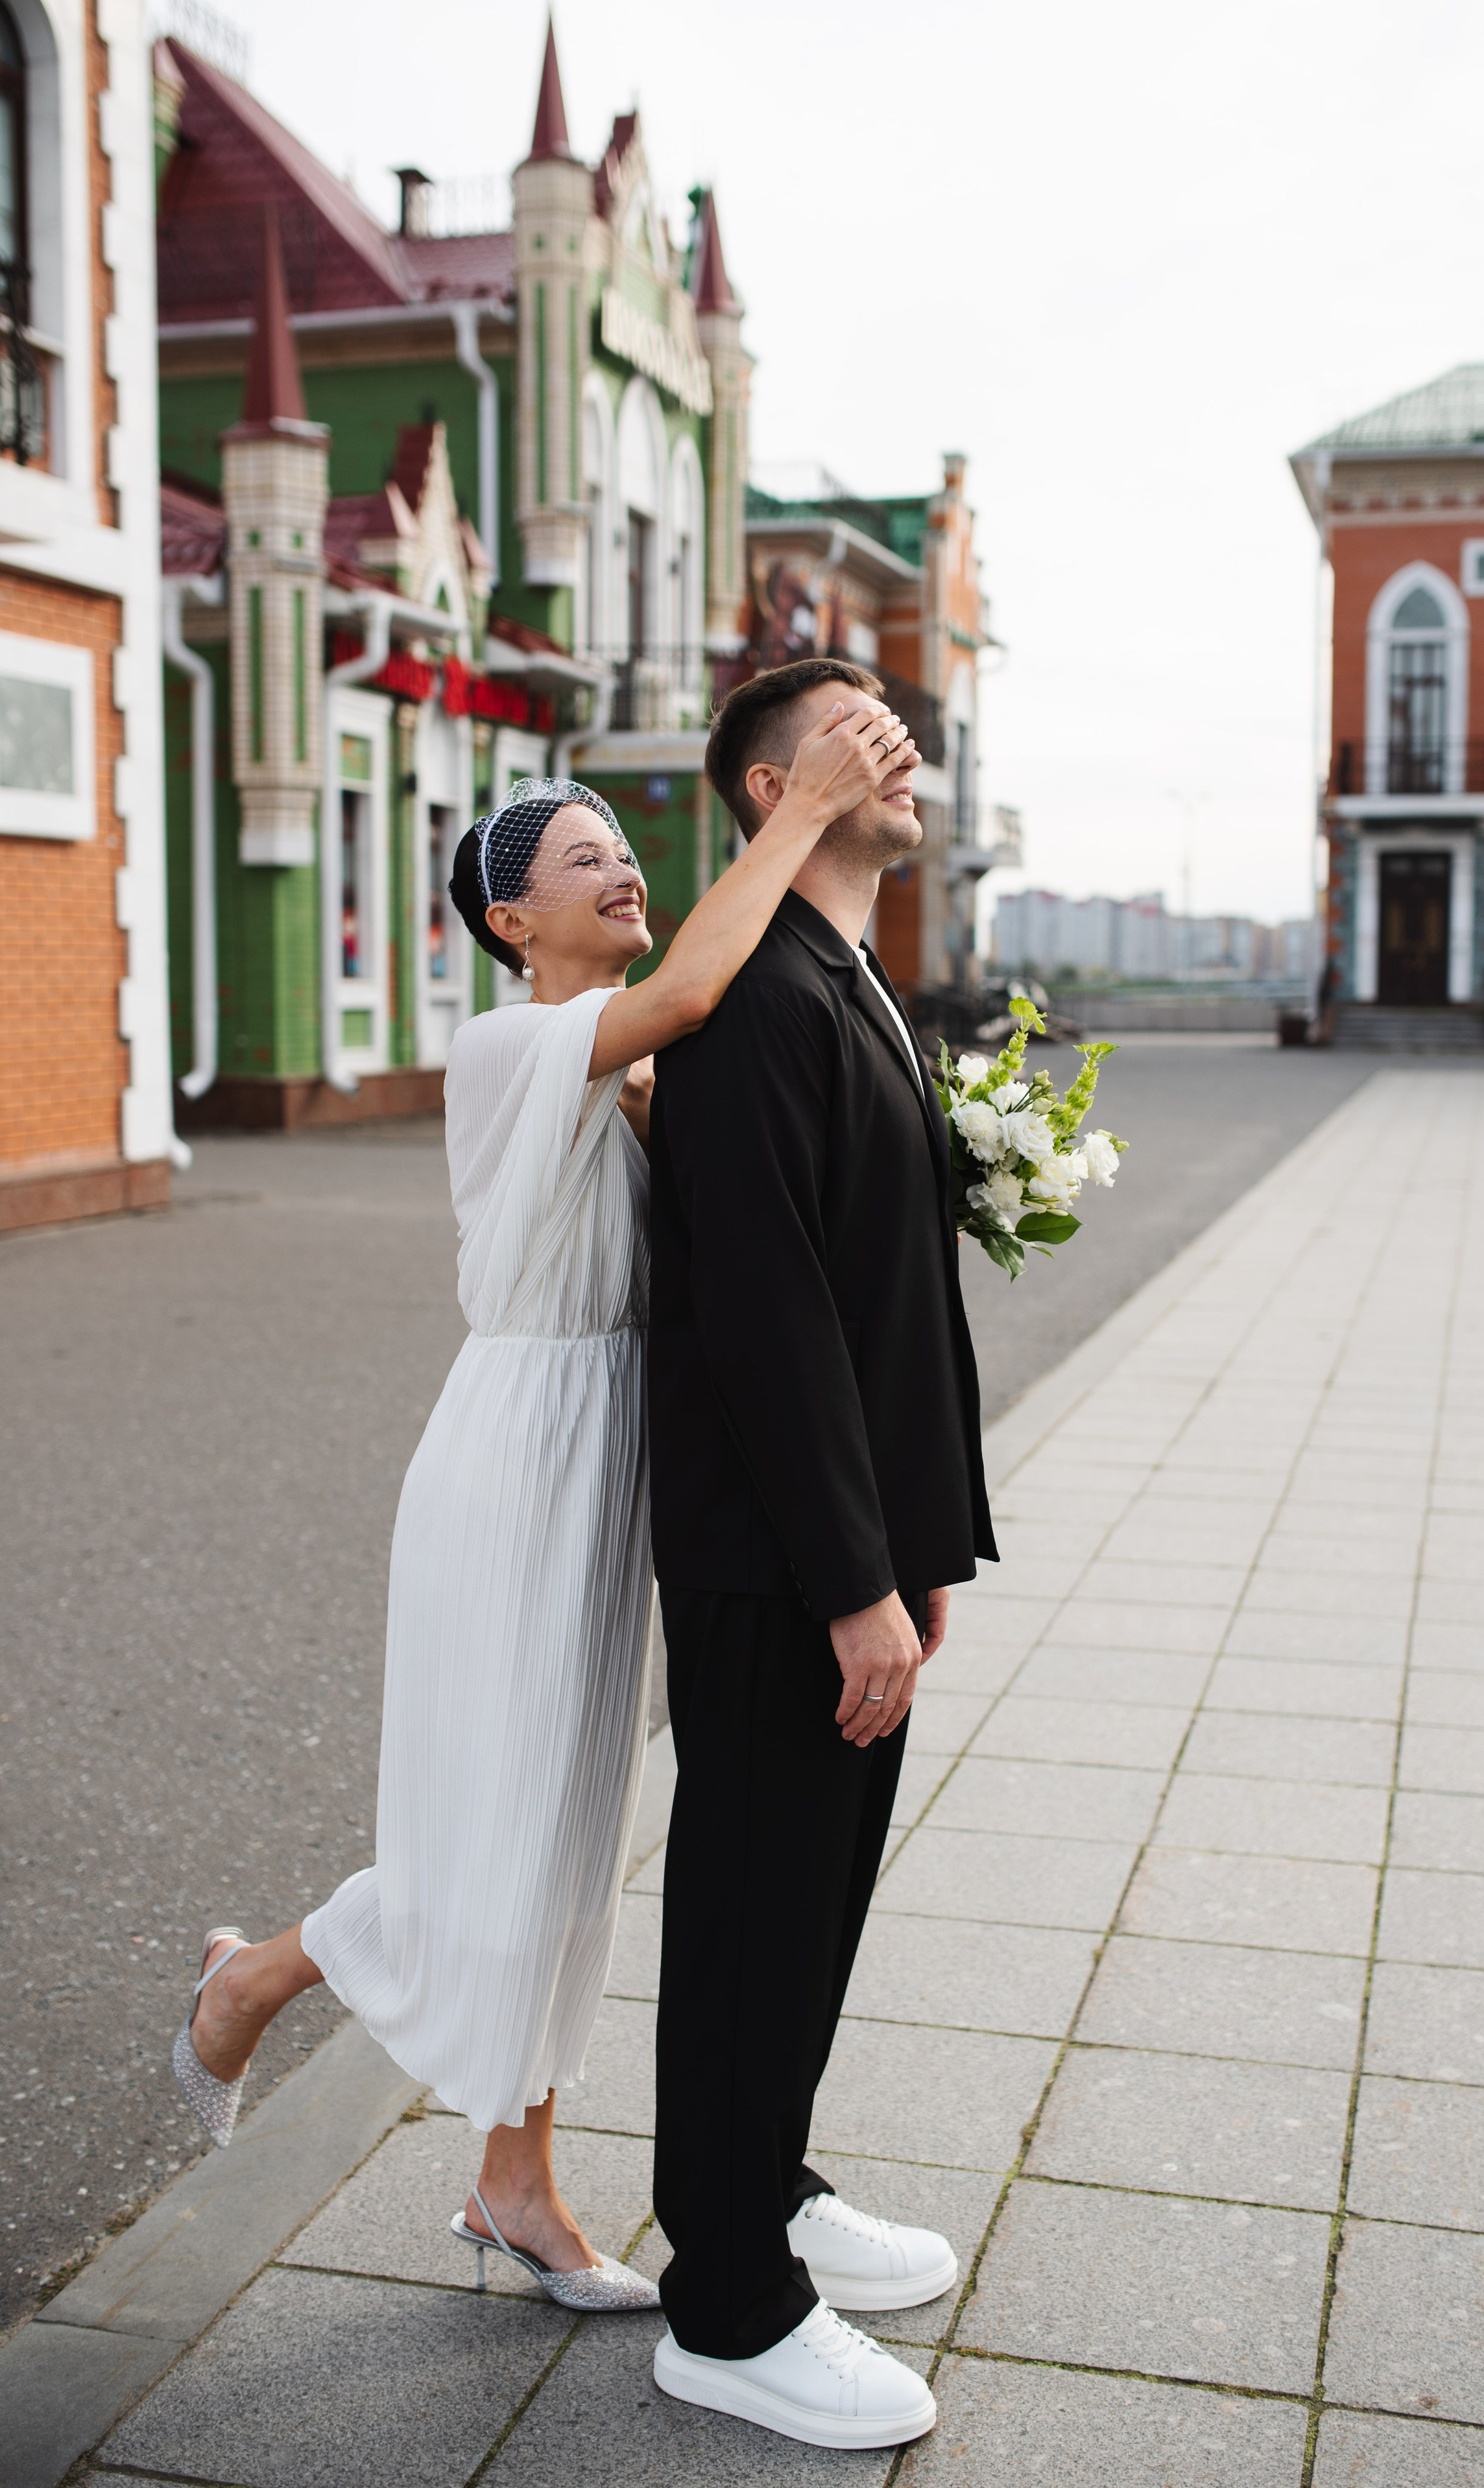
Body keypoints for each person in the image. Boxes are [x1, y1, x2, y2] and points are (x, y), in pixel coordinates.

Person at [170, 699, 913, 2313]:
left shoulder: (630, 1084)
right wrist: (800, 815)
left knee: (565, 1845)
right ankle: (252, 1979)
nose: (625, 871)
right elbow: (701, 983)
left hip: (608, 1465)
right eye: (587, 858)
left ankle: (515, 2188)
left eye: (630, 850)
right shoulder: (517, 1043)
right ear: (511, 918)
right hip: (513, 1460)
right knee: (485, 1837)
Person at [647, 657, 999, 2448]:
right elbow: (769, 1319)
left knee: (813, 1902)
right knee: (750, 1902)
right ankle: (724, 2302)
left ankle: (764, 2186)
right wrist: (850, 1578)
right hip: (775, 1555)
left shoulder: (846, 977)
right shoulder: (748, 998)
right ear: (777, 780)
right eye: (863, 728)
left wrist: (913, 1546)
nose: (905, 749)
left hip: (847, 1544)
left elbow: (880, 1291)